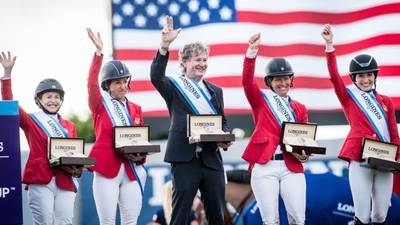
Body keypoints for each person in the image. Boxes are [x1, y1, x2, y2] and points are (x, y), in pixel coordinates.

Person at [150, 16, 231, 225]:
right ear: (184, 62)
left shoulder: (216, 91)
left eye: (205, 60)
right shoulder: (174, 86)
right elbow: (156, 76)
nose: (202, 64)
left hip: (211, 159)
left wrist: (225, 137)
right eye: (197, 60)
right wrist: (165, 45)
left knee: (217, 216)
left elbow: (223, 123)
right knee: (179, 215)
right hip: (184, 159)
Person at [322, 24, 400, 225]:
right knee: (362, 215)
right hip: (359, 159)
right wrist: (329, 45)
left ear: (375, 76)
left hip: (384, 160)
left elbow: (393, 132)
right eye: (360, 76)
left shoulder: (386, 101)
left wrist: (398, 156)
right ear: (354, 79)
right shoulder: (348, 97)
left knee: (381, 215)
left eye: (369, 75)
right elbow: (333, 76)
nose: (365, 79)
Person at [0, 51, 81, 225]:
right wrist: (7, 75)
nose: (54, 100)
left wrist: (78, 167)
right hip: (40, 179)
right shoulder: (31, 120)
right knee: (43, 222)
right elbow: (9, 103)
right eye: (49, 97)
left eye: (57, 97)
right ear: (39, 100)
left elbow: (74, 155)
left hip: (65, 179)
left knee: (65, 222)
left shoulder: (70, 126)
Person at [241, 33, 309, 225]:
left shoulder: (300, 108)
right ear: (269, 82)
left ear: (291, 79)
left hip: (291, 166)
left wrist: (304, 154)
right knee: (271, 220)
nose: (282, 83)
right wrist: (251, 52)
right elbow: (247, 81)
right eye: (277, 79)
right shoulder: (261, 101)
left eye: (286, 78)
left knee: (298, 218)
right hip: (265, 165)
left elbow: (304, 139)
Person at [86, 28, 147, 225]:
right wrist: (98, 54)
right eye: (116, 83)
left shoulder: (136, 108)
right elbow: (91, 85)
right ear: (107, 85)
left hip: (131, 168)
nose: (122, 86)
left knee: (131, 221)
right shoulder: (99, 105)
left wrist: (140, 154)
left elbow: (140, 139)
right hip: (107, 168)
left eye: (124, 81)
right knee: (108, 222)